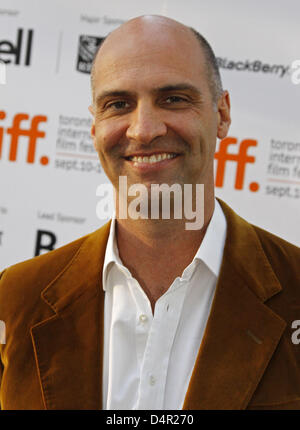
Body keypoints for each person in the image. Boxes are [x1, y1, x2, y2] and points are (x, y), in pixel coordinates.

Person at [0, 15, 299, 411]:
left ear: (222, 114)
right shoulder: (16, 297)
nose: (143, 129)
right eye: (118, 104)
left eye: (173, 98)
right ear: (94, 127)